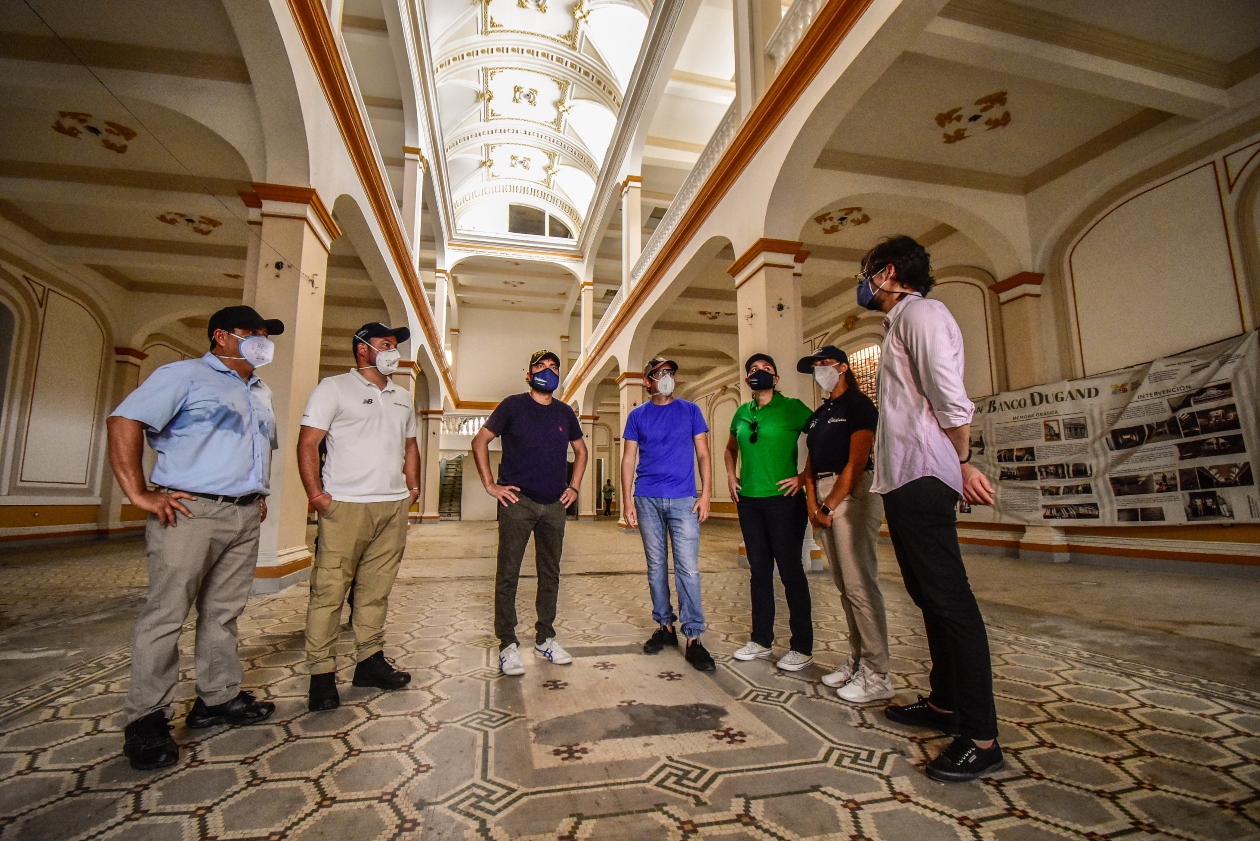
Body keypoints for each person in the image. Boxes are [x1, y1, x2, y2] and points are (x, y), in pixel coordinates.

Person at [107, 305, 282, 771]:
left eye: (266, 335)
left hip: (244, 514)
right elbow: (124, 421)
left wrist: (256, 492)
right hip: (191, 511)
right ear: (221, 336)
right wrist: (138, 493)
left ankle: (217, 698)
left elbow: (255, 447)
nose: (261, 341)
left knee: (223, 612)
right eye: (252, 333)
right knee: (166, 614)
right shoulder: (182, 375)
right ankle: (146, 719)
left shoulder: (260, 391)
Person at [857, 234, 1001, 783]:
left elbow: (948, 393)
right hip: (905, 477)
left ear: (889, 273)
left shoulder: (922, 314)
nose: (865, 283)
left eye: (869, 271)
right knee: (926, 594)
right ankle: (945, 704)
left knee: (949, 600)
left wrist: (960, 461)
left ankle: (982, 737)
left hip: (924, 474)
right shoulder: (899, 324)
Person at [298, 322, 420, 712]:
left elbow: (411, 445)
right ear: (363, 349)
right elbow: (308, 442)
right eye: (385, 344)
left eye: (394, 345)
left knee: (375, 590)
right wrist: (316, 495)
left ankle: (369, 662)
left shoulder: (402, 395)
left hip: (392, 505)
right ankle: (321, 674)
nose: (393, 351)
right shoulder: (333, 388)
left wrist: (412, 490)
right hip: (345, 505)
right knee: (329, 590)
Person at [471, 349, 588, 676]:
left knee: (550, 572)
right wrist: (491, 485)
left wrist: (574, 486)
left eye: (553, 367)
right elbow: (479, 441)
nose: (548, 371)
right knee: (508, 572)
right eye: (541, 366)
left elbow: (581, 450)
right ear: (528, 374)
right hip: (516, 503)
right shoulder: (512, 405)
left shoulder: (565, 412)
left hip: (554, 505)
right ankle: (507, 643)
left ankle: (545, 638)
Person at [798, 346, 892, 703]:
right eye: (814, 366)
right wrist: (812, 502)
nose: (818, 369)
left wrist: (831, 503)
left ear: (842, 367)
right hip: (821, 491)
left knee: (860, 585)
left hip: (852, 494)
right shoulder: (822, 413)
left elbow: (857, 459)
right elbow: (810, 462)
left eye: (824, 363)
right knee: (844, 585)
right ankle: (857, 660)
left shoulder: (859, 405)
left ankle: (878, 672)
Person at [622, 357, 716, 672]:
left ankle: (694, 637)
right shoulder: (637, 415)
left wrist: (705, 494)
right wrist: (627, 501)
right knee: (656, 569)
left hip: (684, 500)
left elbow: (703, 453)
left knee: (688, 569)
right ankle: (665, 627)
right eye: (659, 373)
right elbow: (627, 459)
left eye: (670, 373)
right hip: (646, 497)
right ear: (647, 381)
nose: (666, 377)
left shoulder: (690, 411)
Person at [723, 354, 815, 671]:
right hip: (749, 502)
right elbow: (730, 447)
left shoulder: (792, 408)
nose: (758, 373)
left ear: (775, 379)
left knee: (790, 572)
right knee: (759, 572)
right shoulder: (741, 412)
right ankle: (761, 641)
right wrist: (732, 477)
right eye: (753, 370)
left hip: (784, 501)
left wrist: (804, 477)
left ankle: (802, 647)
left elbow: (821, 438)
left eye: (765, 370)